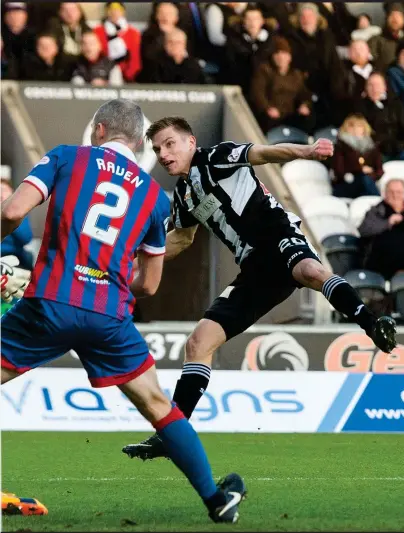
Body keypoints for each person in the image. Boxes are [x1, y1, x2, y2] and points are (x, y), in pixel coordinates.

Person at [0, 99, 246, 524]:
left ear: (99, 130)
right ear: (137, 143)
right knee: (157, 404)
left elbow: (12, 211)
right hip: (108, 316)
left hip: (50, 303)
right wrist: (106, 283)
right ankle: (214, 498)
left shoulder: (65, 157)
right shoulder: (154, 196)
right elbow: (149, 284)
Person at [122, 116, 397, 461]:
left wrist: (308, 151)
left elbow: (265, 153)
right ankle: (172, 434)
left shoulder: (217, 157)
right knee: (198, 342)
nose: (163, 154)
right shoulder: (184, 194)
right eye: (158, 148)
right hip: (254, 270)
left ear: (191, 142)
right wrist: (138, 258)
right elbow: (181, 239)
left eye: (170, 143)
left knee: (310, 269)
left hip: (279, 238)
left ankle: (373, 324)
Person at [250, 36, 314, 134]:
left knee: (308, 119)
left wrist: (305, 105)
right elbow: (258, 93)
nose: (280, 57)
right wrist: (267, 108)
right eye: (277, 53)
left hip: (290, 115)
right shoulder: (264, 70)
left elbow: (305, 95)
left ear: (289, 57)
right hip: (271, 114)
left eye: (284, 53)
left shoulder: (296, 74)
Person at [358, 178, 404, 279]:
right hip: (383, 262)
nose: (395, 195)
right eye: (391, 192)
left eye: (399, 192)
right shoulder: (377, 210)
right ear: (385, 193)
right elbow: (364, 230)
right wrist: (388, 223)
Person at [356, 72, 404, 162]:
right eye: (370, 85)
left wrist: (402, 145)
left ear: (385, 87)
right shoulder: (360, 107)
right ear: (365, 88)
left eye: (378, 85)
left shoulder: (396, 104)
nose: (374, 89)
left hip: (399, 149)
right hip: (377, 153)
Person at [331, 114, 382, 199]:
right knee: (364, 180)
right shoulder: (340, 146)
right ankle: (379, 204)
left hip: (367, 183)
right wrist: (360, 170)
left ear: (364, 128)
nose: (355, 129)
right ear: (345, 128)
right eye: (351, 126)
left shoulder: (372, 147)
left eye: (359, 126)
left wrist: (371, 174)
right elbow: (338, 171)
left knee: (366, 180)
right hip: (346, 184)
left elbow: (379, 170)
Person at [94, 1, 141, 82]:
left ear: (123, 12)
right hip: (103, 75)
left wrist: (128, 77)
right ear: (106, 12)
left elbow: (135, 60)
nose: (114, 12)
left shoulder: (133, 33)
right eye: (111, 9)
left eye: (117, 10)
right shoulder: (97, 32)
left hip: (126, 78)